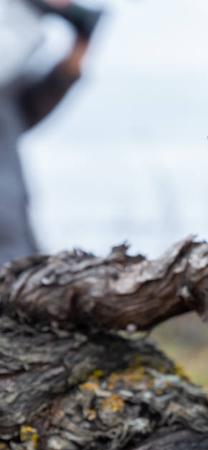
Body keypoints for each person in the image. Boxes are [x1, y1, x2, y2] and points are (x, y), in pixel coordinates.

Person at [0, 0, 100, 265]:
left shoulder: (7, 104)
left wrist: (83, 34)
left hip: (17, 254)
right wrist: (31, 8)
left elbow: (47, 92)